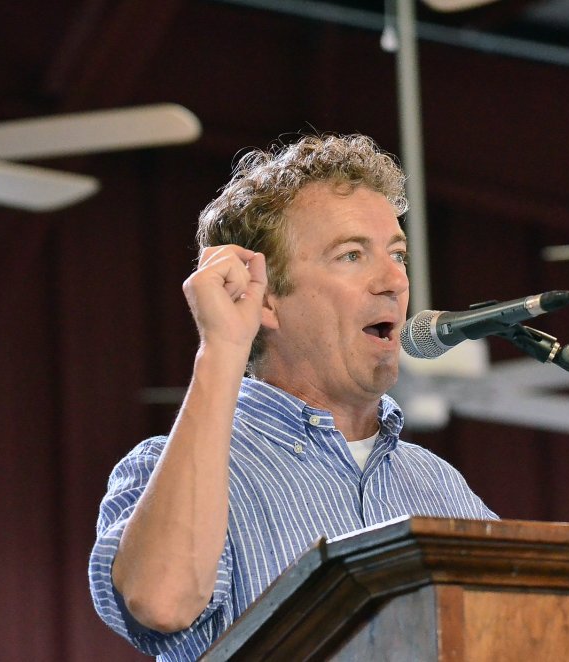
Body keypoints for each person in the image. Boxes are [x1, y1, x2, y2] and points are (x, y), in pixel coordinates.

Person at [88, 133, 497, 660]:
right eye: (351, 255)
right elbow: (163, 602)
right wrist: (221, 348)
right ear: (266, 302)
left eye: (397, 254)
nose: (394, 279)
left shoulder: (438, 485)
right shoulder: (175, 470)